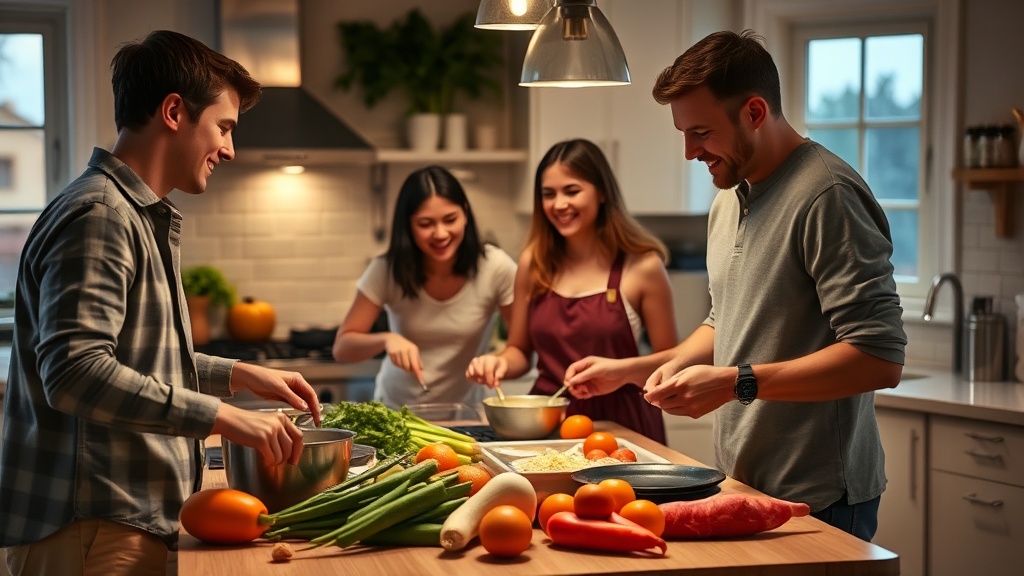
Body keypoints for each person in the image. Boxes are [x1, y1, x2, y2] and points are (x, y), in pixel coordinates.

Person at [563, 30, 907, 541]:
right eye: (683, 133)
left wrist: (734, 382)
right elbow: (724, 318)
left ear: (754, 112)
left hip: (820, 495)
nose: (688, 152)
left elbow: (879, 357)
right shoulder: (729, 196)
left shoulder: (826, 195)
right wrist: (634, 369)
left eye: (700, 132)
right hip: (742, 480)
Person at [0, 30, 322, 576]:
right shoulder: (101, 214)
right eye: (223, 127)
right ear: (174, 111)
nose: (229, 149)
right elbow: (75, 372)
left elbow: (133, 359)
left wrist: (238, 373)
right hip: (90, 527)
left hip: (112, 523)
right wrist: (222, 417)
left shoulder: (133, 213)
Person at [467, 139, 678, 443]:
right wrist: (498, 361)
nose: (559, 204)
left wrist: (620, 371)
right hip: (545, 425)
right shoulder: (534, 262)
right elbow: (520, 352)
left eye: (572, 191)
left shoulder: (643, 266)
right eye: (548, 194)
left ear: (602, 192)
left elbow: (670, 364)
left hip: (621, 429)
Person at [332, 165, 516, 410]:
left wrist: (496, 361)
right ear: (408, 225)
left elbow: (521, 351)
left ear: (465, 213)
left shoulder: (495, 266)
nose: (440, 233)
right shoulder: (387, 269)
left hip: (467, 414)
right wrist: (387, 339)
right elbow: (343, 348)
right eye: (425, 223)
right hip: (398, 413)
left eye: (450, 219)